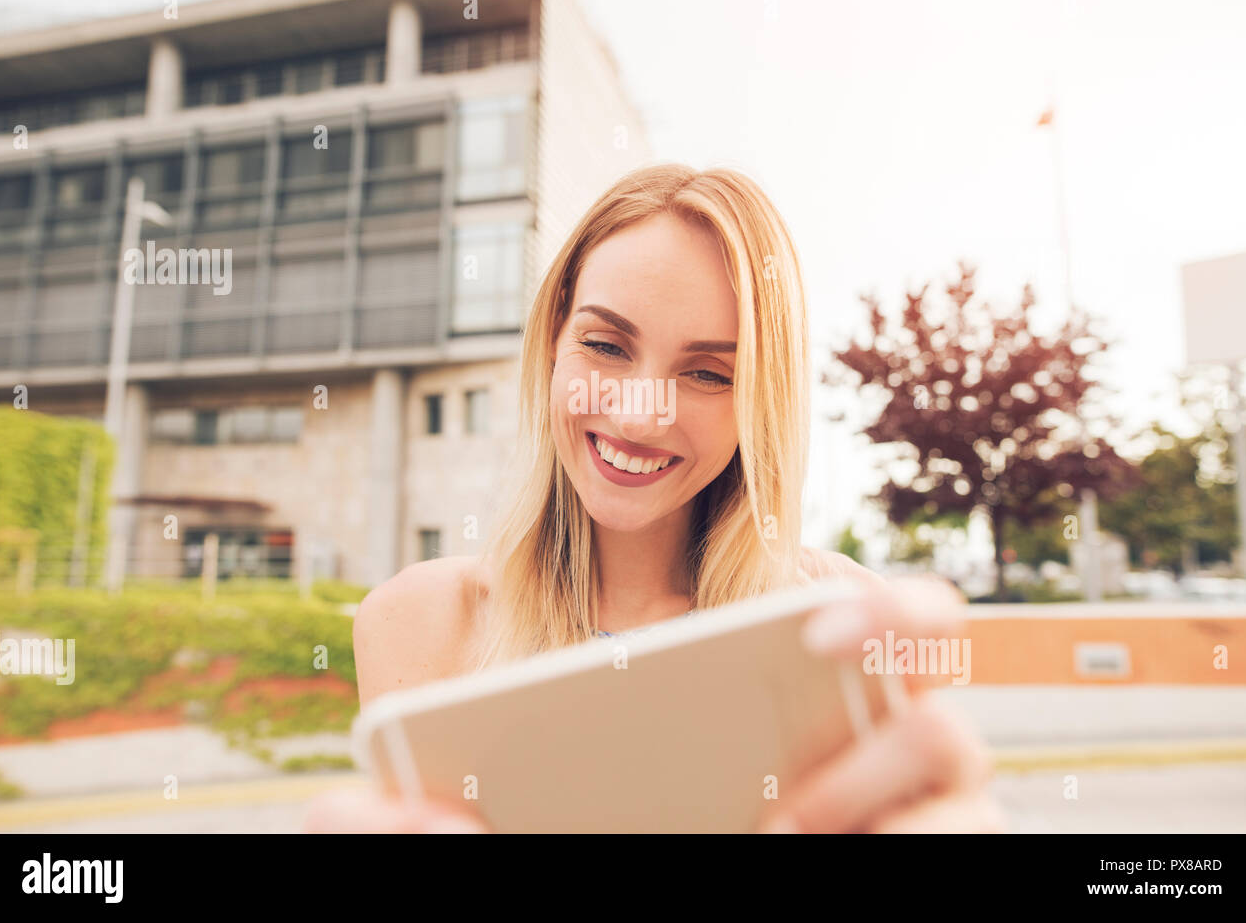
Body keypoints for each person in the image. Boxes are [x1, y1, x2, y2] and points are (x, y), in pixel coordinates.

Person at [305, 164, 1003, 833]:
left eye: (705, 371)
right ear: (554, 342)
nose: (640, 416)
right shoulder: (419, 621)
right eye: (607, 345)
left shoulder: (830, 621)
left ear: (759, 399)